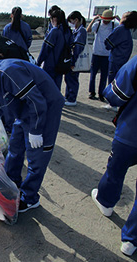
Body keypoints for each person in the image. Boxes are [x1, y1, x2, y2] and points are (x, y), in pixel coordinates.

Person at [0, 55, 64, 212]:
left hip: (45, 110)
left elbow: (37, 101)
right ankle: (11, 182)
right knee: (15, 147)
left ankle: (30, 198)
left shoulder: (9, 72)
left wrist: (35, 130)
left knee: (37, 156)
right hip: (24, 111)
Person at [91, 55, 137, 257]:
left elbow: (115, 94)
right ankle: (131, 240)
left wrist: (109, 90)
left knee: (115, 170)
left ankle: (106, 202)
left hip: (130, 132)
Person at [86, 9, 119, 101]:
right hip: (96, 53)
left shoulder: (113, 25)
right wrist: (94, 20)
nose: (106, 21)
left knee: (104, 76)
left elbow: (123, 29)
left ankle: (101, 93)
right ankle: (91, 92)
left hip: (107, 55)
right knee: (93, 75)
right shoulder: (98, 24)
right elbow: (88, 30)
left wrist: (119, 19)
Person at [37, 9, 73, 89]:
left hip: (51, 64)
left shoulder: (54, 31)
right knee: (57, 86)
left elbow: (45, 49)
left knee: (47, 86)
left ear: (54, 19)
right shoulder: (67, 31)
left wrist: (39, 62)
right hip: (61, 63)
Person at [105, 11, 137, 84]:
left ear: (126, 18)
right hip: (122, 60)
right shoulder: (126, 30)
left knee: (112, 83)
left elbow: (107, 44)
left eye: (128, 12)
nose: (126, 11)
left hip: (115, 61)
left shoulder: (120, 29)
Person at [64, 11, 87, 106]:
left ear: (76, 20)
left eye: (71, 21)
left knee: (72, 79)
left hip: (75, 59)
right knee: (69, 78)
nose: (71, 23)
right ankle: (68, 97)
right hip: (72, 58)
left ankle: (72, 99)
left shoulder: (81, 31)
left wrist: (73, 62)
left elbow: (77, 47)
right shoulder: (77, 30)